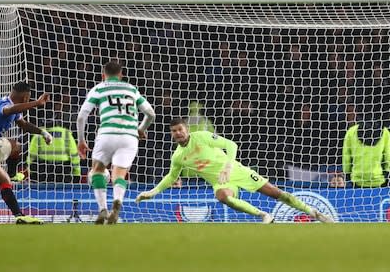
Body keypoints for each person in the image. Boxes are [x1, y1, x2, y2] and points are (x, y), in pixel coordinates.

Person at [136, 118, 334, 223]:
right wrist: (151, 192)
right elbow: (171, 177)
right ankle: (264, 215)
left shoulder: (202, 136)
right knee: (223, 197)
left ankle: (313, 212)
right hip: (221, 182)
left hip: (236, 170)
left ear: (186, 129)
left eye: (180, 129)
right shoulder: (178, 157)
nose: (177, 133)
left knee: (276, 193)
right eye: (173, 131)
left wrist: (229, 165)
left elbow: (231, 145)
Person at [77, 61, 155, 224]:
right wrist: (140, 129)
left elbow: (81, 116)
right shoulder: (131, 89)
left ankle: (103, 209)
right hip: (129, 136)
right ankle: (117, 201)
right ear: (121, 75)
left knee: (97, 171)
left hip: (107, 134)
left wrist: (81, 141)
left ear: (103, 75)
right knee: (119, 174)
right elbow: (150, 114)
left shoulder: (99, 88)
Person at [0, 82, 53, 224]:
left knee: (4, 181)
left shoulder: (9, 105)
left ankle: (19, 215)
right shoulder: (5, 105)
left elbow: (24, 125)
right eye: (28, 98)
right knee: (16, 146)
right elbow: (8, 110)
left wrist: (42, 132)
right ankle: (13, 174)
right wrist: (36, 103)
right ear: (25, 97)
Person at [331, 115, 390, 188]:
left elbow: (346, 157)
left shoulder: (351, 131)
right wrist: (387, 175)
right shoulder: (385, 132)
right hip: (379, 180)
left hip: (357, 180)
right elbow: (388, 157)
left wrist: (347, 174)